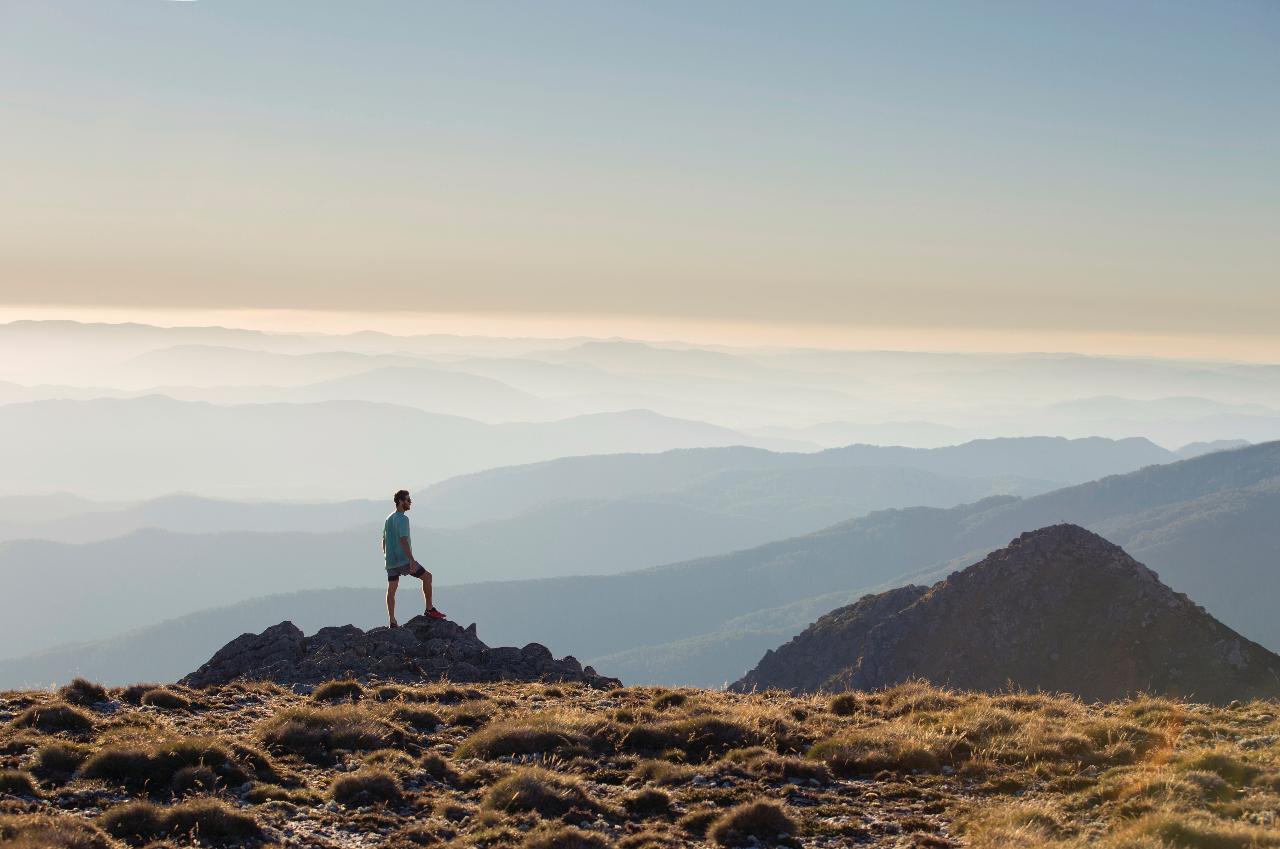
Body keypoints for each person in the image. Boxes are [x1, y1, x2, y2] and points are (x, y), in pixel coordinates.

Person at [383, 489, 445, 628]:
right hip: (403, 560)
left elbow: (384, 540)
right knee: (427, 577)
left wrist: (386, 557)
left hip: (391, 561)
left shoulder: (388, 518)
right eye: (407, 499)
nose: (410, 502)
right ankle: (429, 609)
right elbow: (403, 539)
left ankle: (392, 621)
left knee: (392, 589)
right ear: (400, 501)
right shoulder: (403, 518)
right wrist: (411, 559)